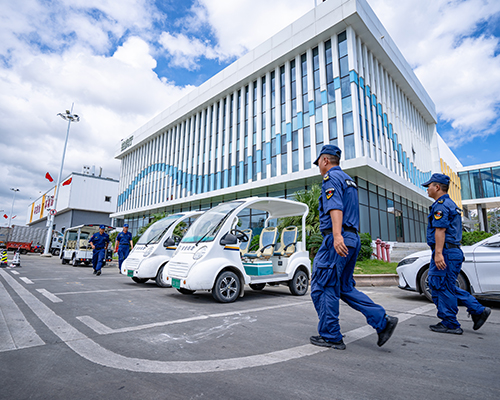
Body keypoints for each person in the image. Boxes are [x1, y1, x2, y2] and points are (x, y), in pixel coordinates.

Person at [310, 145, 398, 350]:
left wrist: (337, 235)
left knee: (324, 286)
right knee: (345, 287)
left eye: (319, 164)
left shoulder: (331, 178)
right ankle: (382, 321)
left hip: (337, 238)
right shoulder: (349, 181)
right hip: (353, 238)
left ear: (325, 160)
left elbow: (335, 207)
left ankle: (331, 335)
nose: (319, 168)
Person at [423, 173, 491, 334]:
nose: (427, 190)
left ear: (437, 187)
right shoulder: (448, 204)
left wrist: (438, 253)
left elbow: (440, 230)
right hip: (450, 251)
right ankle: (477, 310)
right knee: (438, 283)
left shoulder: (441, 205)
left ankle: (451, 323)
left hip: (445, 251)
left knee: (441, 285)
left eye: (429, 186)